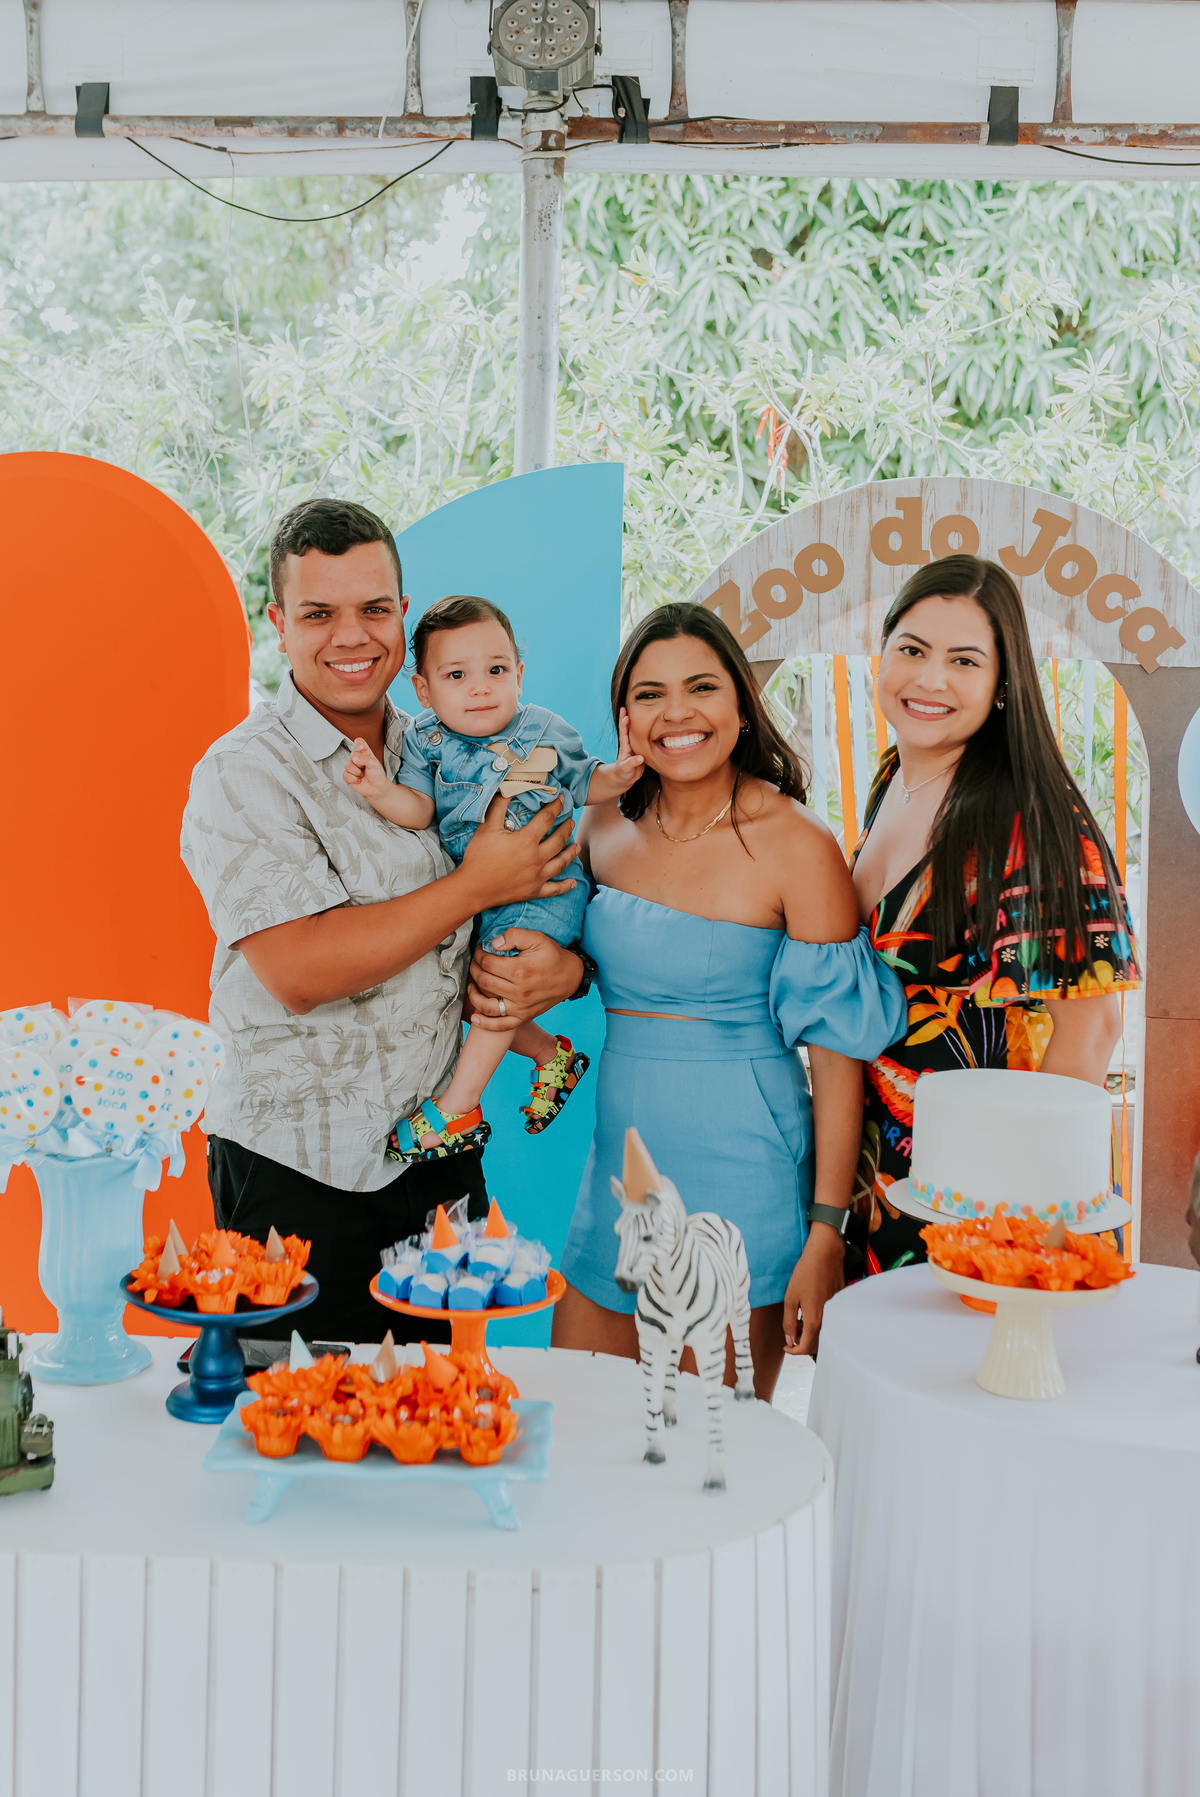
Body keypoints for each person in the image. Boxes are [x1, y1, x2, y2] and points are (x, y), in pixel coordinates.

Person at [180, 498, 588, 1345]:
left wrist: (566, 972)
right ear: (279, 624)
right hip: (297, 1171)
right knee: (291, 1429)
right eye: (318, 613)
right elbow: (302, 970)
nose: (350, 635)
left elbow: (556, 883)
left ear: (403, 616)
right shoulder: (245, 773)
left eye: (372, 609)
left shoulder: (454, 743)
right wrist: (477, 882)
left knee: (435, 1420)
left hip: (439, 1159)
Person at [542, 604, 907, 1398]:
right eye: (650, 694)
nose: (677, 712)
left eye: (702, 687)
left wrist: (825, 1231)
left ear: (741, 706)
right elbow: (567, 957)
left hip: (745, 1173)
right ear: (625, 718)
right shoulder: (599, 823)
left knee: (701, 1455)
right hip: (619, 1167)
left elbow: (837, 1057)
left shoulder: (797, 844)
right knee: (574, 1423)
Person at [849, 554, 1140, 1277]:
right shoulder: (895, 779)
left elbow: (1092, 1026)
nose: (930, 679)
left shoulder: (1029, 819)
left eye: (964, 660)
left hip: (991, 1203)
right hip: (883, 1182)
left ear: (1003, 683)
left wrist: (1013, 1229)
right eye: (911, 649)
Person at [343, 594, 644, 1158]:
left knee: (501, 973)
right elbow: (421, 809)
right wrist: (380, 791)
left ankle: (456, 1108)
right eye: (457, 675)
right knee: (463, 986)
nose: (480, 687)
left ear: (520, 674)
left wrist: (620, 774)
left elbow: (587, 783)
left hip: (542, 887)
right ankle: (550, 1054)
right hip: (478, 893)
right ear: (424, 690)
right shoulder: (423, 741)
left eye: (496, 670)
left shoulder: (545, 730)